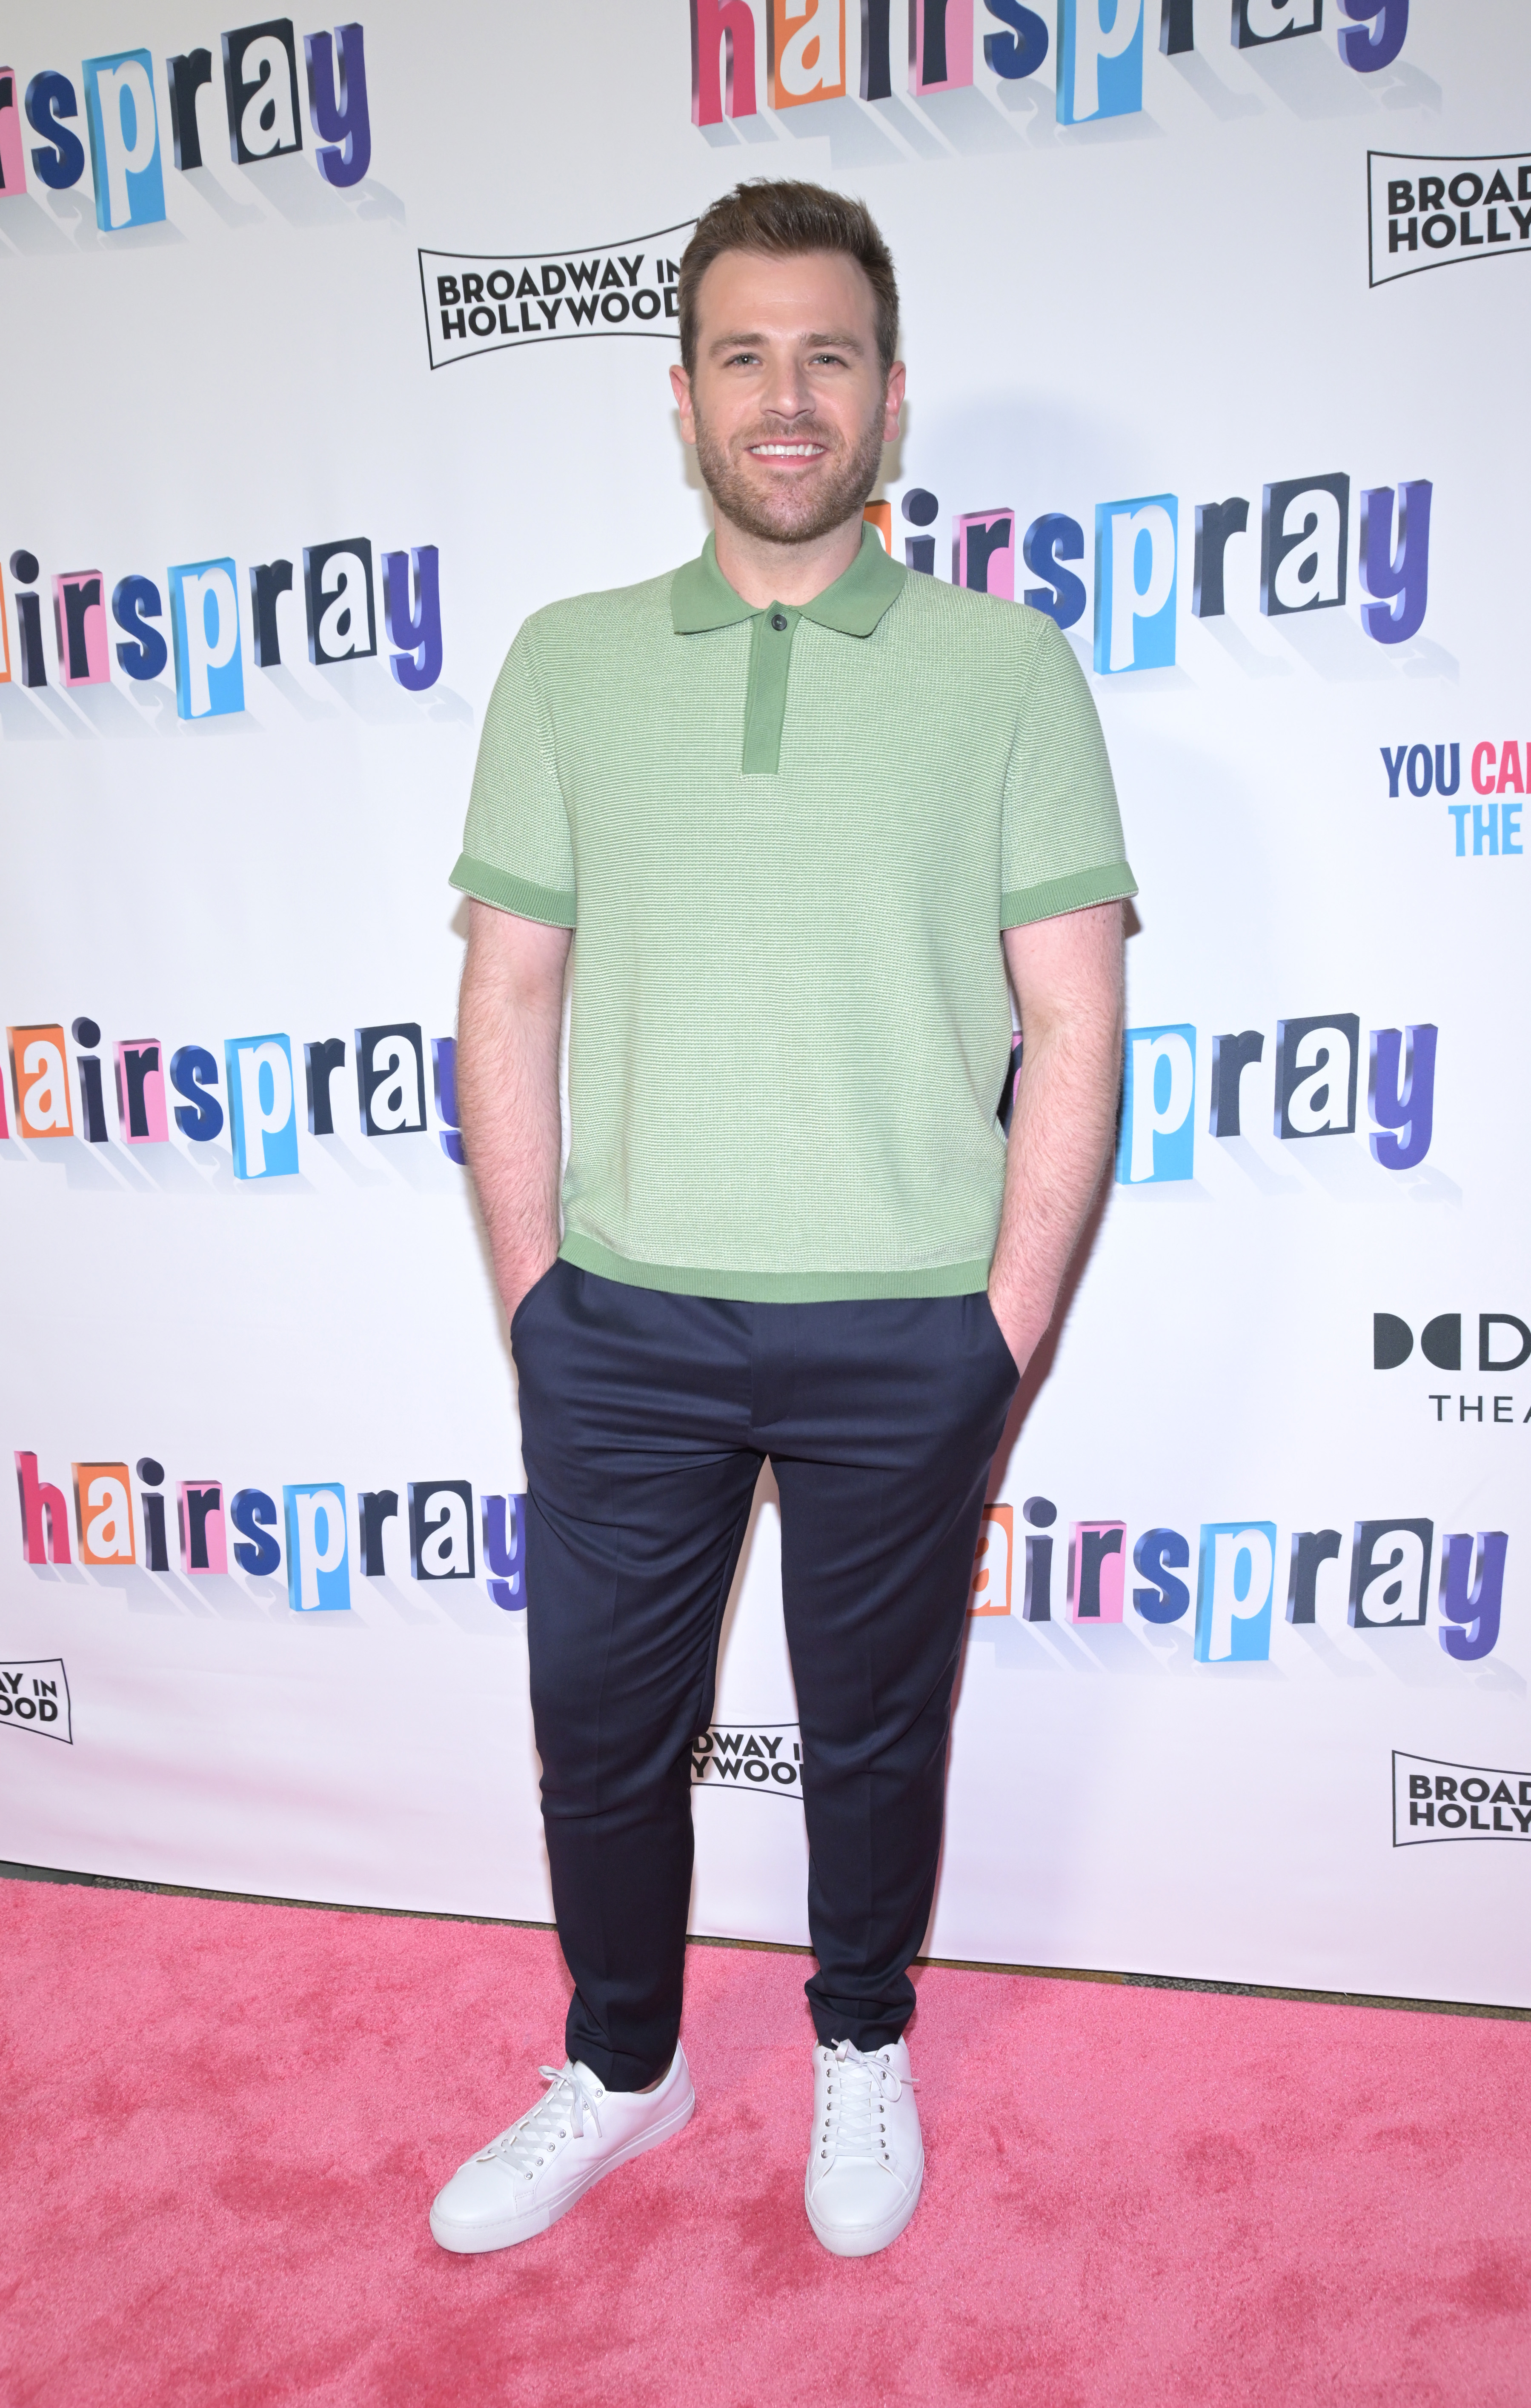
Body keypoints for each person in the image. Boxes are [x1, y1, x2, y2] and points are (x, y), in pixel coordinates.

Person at [430, 178, 1134, 2262]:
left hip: (904, 1320)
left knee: (874, 1729)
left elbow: (1076, 1011)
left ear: (893, 395)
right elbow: (510, 990)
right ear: (681, 397)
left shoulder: (1008, 668)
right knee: (598, 1731)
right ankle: (623, 2061)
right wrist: (538, 1299)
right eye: (744, 353)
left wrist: (999, 1324)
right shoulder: (567, 663)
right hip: (623, 1326)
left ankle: (858, 2035)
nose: (788, 394)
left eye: (829, 352)